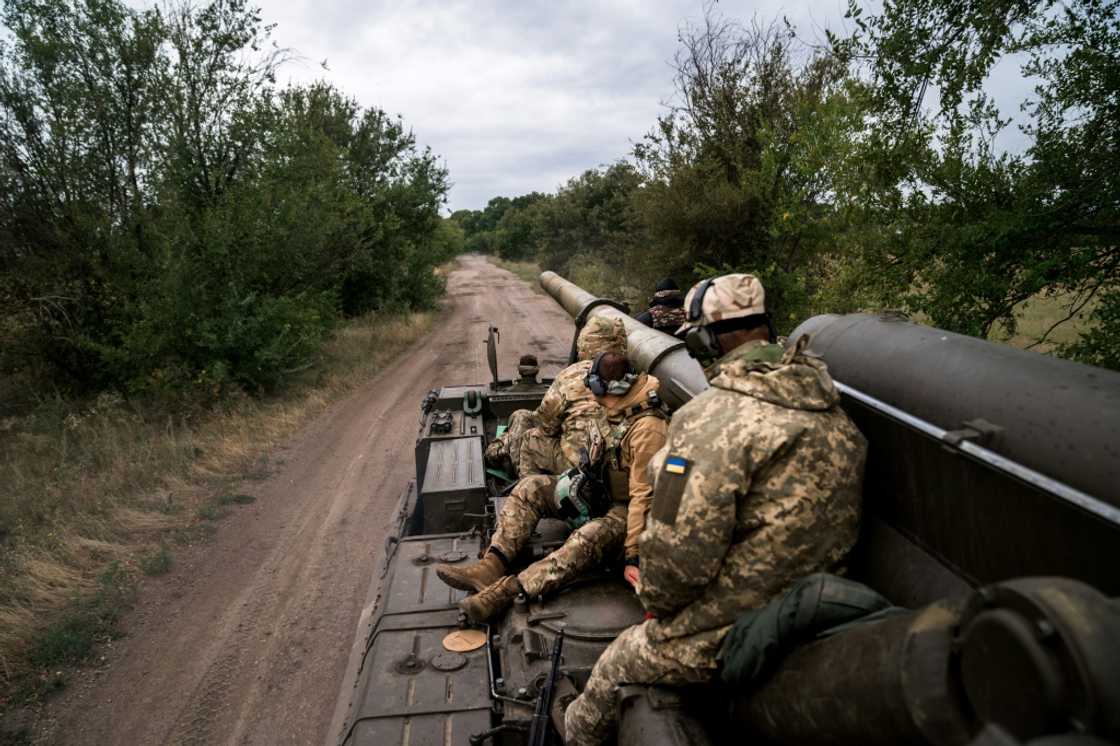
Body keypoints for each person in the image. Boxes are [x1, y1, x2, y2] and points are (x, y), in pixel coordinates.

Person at [563, 273, 868, 746]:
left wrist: (657, 604)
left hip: (740, 626)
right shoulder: (831, 408)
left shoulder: (706, 422)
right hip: (815, 606)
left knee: (619, 661)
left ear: (705, 337)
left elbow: (675, 559)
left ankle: (571, 735)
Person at [436, 351, 669, 622]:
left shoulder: (648, 429)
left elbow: (644, 496)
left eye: (595, 390)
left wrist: (633, 556)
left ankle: (509, 590)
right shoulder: (616, 408)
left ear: (612, 389)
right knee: (530, 487)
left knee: (587, 538)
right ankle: (491, 565)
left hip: (626, 509)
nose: (592, 397)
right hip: (599, 489)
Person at [485, 317, 627, 477]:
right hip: (617, 467)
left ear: (586, 344)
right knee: (523, 417)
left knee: (529, 434)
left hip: (581, 466)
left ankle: (526, 486)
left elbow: (545, 425)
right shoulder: (637, 377)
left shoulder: (573, 374)